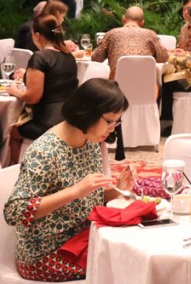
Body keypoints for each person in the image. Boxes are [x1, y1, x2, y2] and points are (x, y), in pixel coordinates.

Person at [3, 78, 133, 281]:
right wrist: (73, 192)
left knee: (133, 248)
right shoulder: (46, 152)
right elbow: (15, 212)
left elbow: (87, 198)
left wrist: (116, 191)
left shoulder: (89, 140)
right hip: (45, 255)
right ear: (87, 113)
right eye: (109, 121)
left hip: (80, 241)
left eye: (117, 122)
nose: (112, 128)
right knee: (124, 264)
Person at [8, 15, 78, 144]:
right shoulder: (68, 56)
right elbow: (54, 79)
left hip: (47, 123)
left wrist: (14, 91)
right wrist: (26, 74)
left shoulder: (40, 57)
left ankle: (21, 159)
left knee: (12, 132)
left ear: (37, 35)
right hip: (69, 119)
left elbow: (32, 97)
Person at [161, 2, 191, 128]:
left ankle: (167, 122)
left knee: (165, 83)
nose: (189, 25)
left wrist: (171, 58)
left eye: (190, 22)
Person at [91, 6, 169, 79]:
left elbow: (96, 58)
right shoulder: (151, 35)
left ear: (123, 18)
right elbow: (163, 58)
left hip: (116, 86)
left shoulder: (111, 34)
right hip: (145, 85)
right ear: (142, 23)